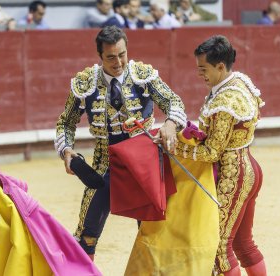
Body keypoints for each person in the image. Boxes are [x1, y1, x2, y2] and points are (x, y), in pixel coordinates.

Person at [54, 25, 187, 260]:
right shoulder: (86, 83)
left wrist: (170, 124)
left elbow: (173, 102)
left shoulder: (142, 75)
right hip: (105, 161)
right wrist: (65, 149)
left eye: (122, 54)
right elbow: (66, 123)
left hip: (142, 160)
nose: (119, 62)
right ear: (100, 56)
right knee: (87, 234)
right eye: (111, 57)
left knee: (150, 230)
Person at [172, 35, 267, 275]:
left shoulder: (226, 99)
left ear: (221, 66)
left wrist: (176, 148)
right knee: (243, 244)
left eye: (203, 69)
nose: (199, 74)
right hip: (248, 167)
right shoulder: (238, 82)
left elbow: (212, 152)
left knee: (219, 247)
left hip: (232, 176)